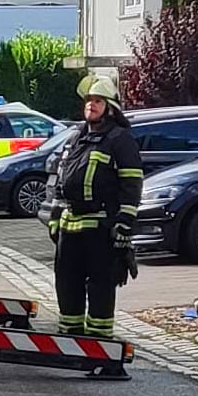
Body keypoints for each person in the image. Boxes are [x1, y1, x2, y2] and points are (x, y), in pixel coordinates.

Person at [49, 75, 143, 379]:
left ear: (110, 108)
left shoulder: (119, 139)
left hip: (100, 226)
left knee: (101, 289)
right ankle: (71, 345)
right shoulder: (76, 137)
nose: (91, 105)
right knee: (67, 285)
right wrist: (54, 217)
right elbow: (59, 179)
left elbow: (132, 185)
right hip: (70, 226)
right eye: (89, 100)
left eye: (98, 101)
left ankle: (100, 350)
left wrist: (124, 225)